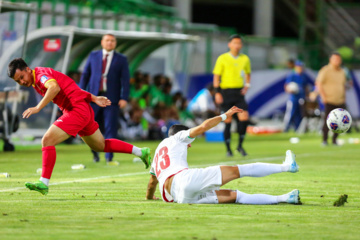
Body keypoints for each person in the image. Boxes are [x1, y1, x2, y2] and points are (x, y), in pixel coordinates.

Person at [7, 58, 151, 195]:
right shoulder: (36, 80)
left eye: (22, 76)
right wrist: (93, 98)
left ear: (27, 69)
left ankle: (44, 182)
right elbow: (72, 87)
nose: (22, 81)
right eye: (18, 81)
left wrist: (38, 107)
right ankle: (141, 152)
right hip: (82, 108)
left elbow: (54, 88)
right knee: (100, 146)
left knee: (47, 140)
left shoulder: (40, 75)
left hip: (76, 111)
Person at [145, 106, 300, 205]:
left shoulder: (159, 150)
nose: (190, 144)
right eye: (189, 141)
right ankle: (287, 166)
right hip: (185, 179)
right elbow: (204, 126)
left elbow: (152, 183)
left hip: (181, 198)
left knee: (235, 196)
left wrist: (150, 197)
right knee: (239, 170)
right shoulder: (178, 137)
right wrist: (225, 115)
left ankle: (286, 198)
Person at [79, 33, 130, 165]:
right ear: (102, 42)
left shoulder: (121, 59)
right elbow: (85, 75)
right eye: (107, 40)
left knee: (110, 128)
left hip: (111, 99)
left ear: (115, 43)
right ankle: (95, 154)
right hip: (94, 98)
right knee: (90, 127)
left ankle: (109, 157)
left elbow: (125, 80)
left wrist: (124, 98)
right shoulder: (93, 56)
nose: (109, 43)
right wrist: (81, 93)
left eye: (112, 41)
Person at [213, 34, 251, 157]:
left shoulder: (244, 58)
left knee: (244, 118)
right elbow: (216, 76)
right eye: (234, 43)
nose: (237, 45)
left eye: (239, 43)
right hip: (226, 92)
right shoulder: (222, 58)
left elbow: (248, 73)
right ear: (229, 44)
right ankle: (228, 149)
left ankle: (240, 146)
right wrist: (217, 92)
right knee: (227, 120)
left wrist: (247, 86)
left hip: (239, 93)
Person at [316, 52, 347, 145]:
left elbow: (343, 85)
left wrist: (344, 96)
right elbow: (319, 84)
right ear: (330, 60)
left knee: (339, 122)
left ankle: (334, 140)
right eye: (335, 59)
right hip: (329, 100)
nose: (337, 61)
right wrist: (323, 97)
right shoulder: (325, 70)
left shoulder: (342, 71)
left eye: (339, 59)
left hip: (340, 100)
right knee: (328, 120)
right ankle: (325, 140)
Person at [283, 60, 312, 132]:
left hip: (301, 97)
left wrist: (307, 95)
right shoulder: (292, 75)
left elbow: (306, 87)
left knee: (300, 114)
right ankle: (286, 128)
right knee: (291, 113)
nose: (300, 68)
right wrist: (290, 90)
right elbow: (286, 86)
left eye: (301, 66)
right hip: (293, 98)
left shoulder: (303, 76)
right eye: (299, 66)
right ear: (296, 67)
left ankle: (297, 128)